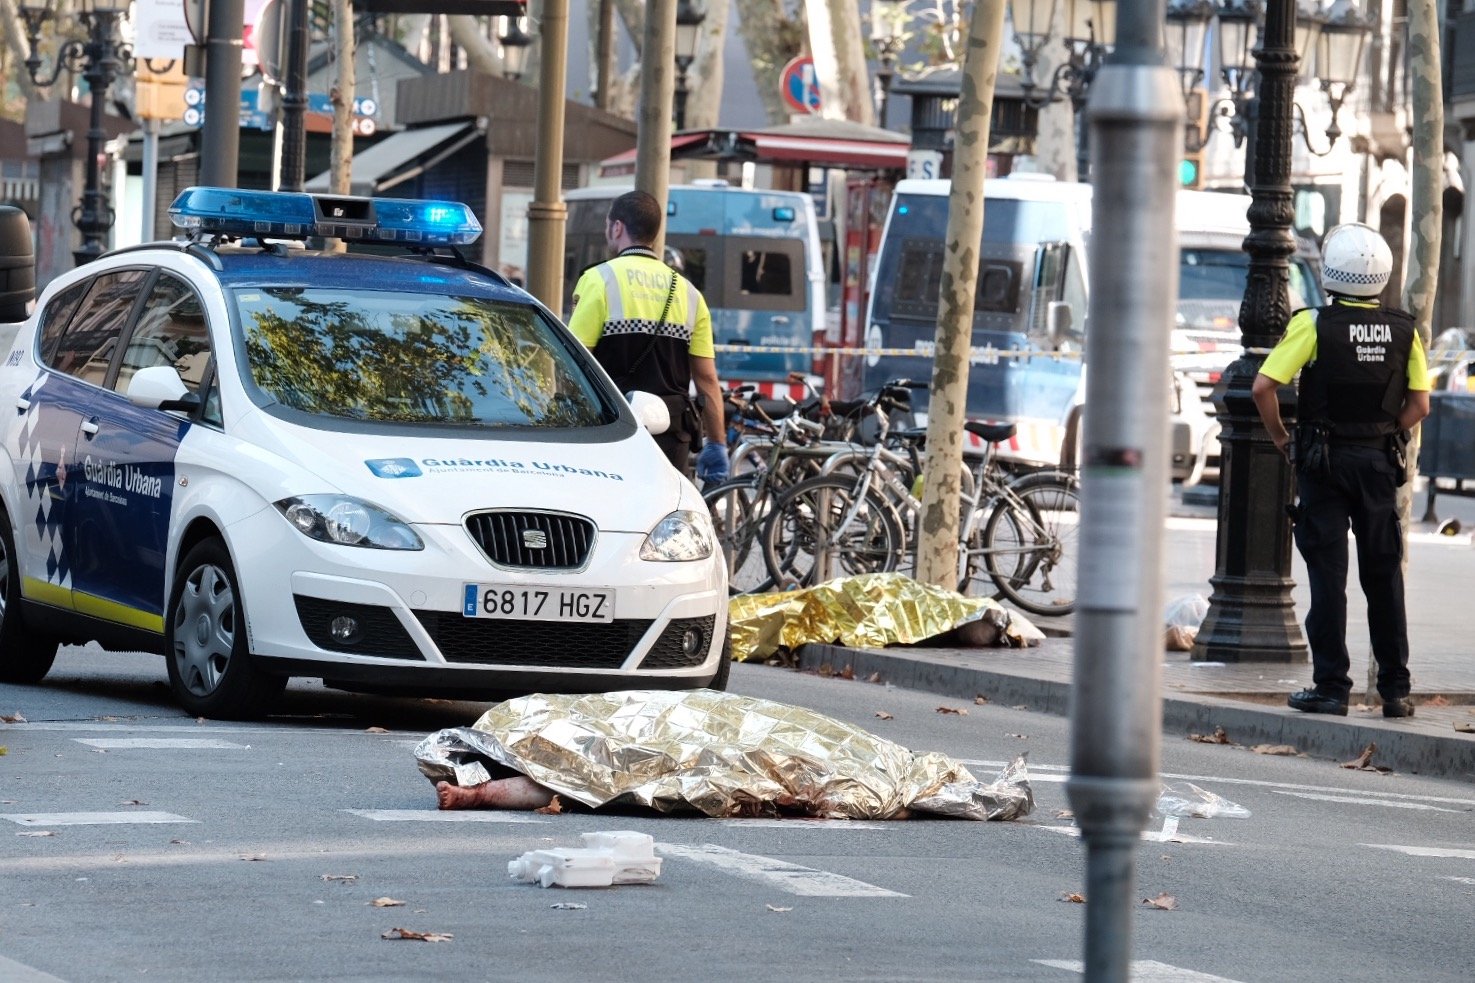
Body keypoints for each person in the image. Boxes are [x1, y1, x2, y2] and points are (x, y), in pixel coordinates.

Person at [1251, 223, 1430, 719]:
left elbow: (1263, 387)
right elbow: (1420, 405)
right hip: (1377, 463)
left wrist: (1283, 439)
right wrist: (1384, 430)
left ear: (1331, 273)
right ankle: (1396, 690)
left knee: (1328, 578)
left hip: (1323, 464)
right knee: (1384, 576)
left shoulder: (1313, 324)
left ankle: (1332, 688)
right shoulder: (1404, 329)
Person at [568, 191, 728, 484]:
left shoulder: (599, 280)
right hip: (671, 436)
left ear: (617, 227)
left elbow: (576, 361)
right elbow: (706, 379)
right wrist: (717, 443)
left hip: (613, 429)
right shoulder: (690, 293)